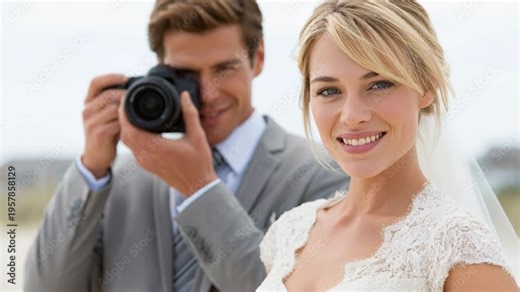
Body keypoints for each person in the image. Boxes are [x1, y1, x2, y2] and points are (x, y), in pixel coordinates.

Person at [24, 1, 348, 291]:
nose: (207, 93)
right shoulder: (118, 180)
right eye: (185, 73)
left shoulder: (322, 174)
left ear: (258, 57)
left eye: (224, 68)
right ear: (159, 66)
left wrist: (198, 189)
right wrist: (91, 169)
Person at [257, 1, 519, 291]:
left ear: (426, 86)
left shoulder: (458, 247)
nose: (352, 116)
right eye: (329, 91)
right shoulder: (289, 233)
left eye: (379, 84)